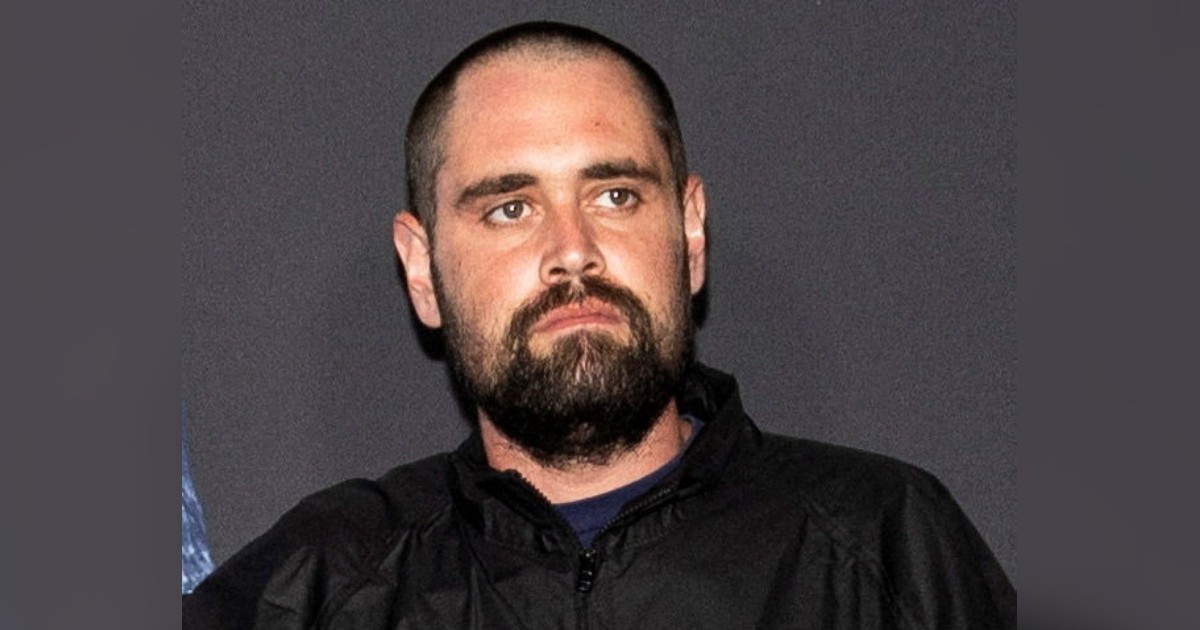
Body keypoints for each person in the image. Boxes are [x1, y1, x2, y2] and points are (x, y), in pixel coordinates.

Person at [184, 21, 1015, 629]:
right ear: (422, 270)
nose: (572, 251)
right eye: (510, 209)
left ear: (690, 234)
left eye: (615, 195)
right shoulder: (322, 585)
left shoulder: (888, 548)